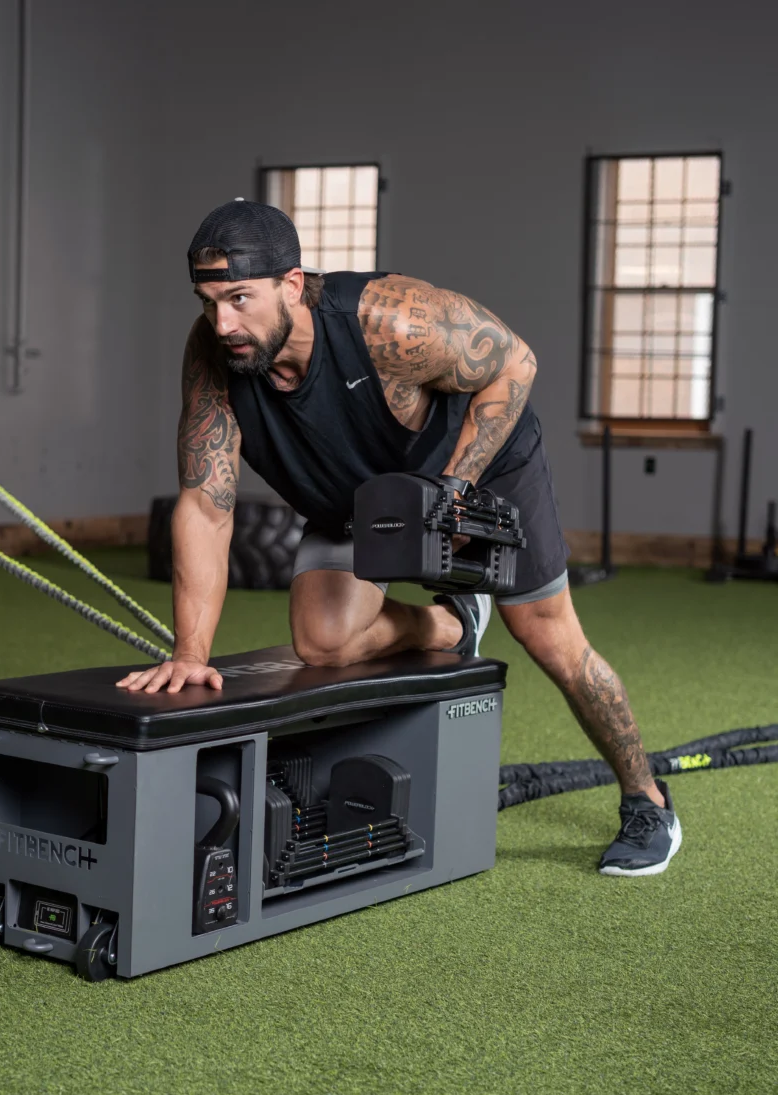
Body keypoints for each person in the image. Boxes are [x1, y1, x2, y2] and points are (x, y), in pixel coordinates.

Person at [118, 199, 680, 878]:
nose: (223, 324)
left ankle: (647, 800)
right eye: (209, 303)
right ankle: (452, 624)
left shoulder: (389, 320)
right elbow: (206, 507)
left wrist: (454, 488)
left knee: (552, 640)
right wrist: (189, 653)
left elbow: (515, 363)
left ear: (291, 284)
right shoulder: (214, 355)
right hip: (353, 498)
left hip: (478, 471)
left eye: (239, 299)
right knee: (322, 642)